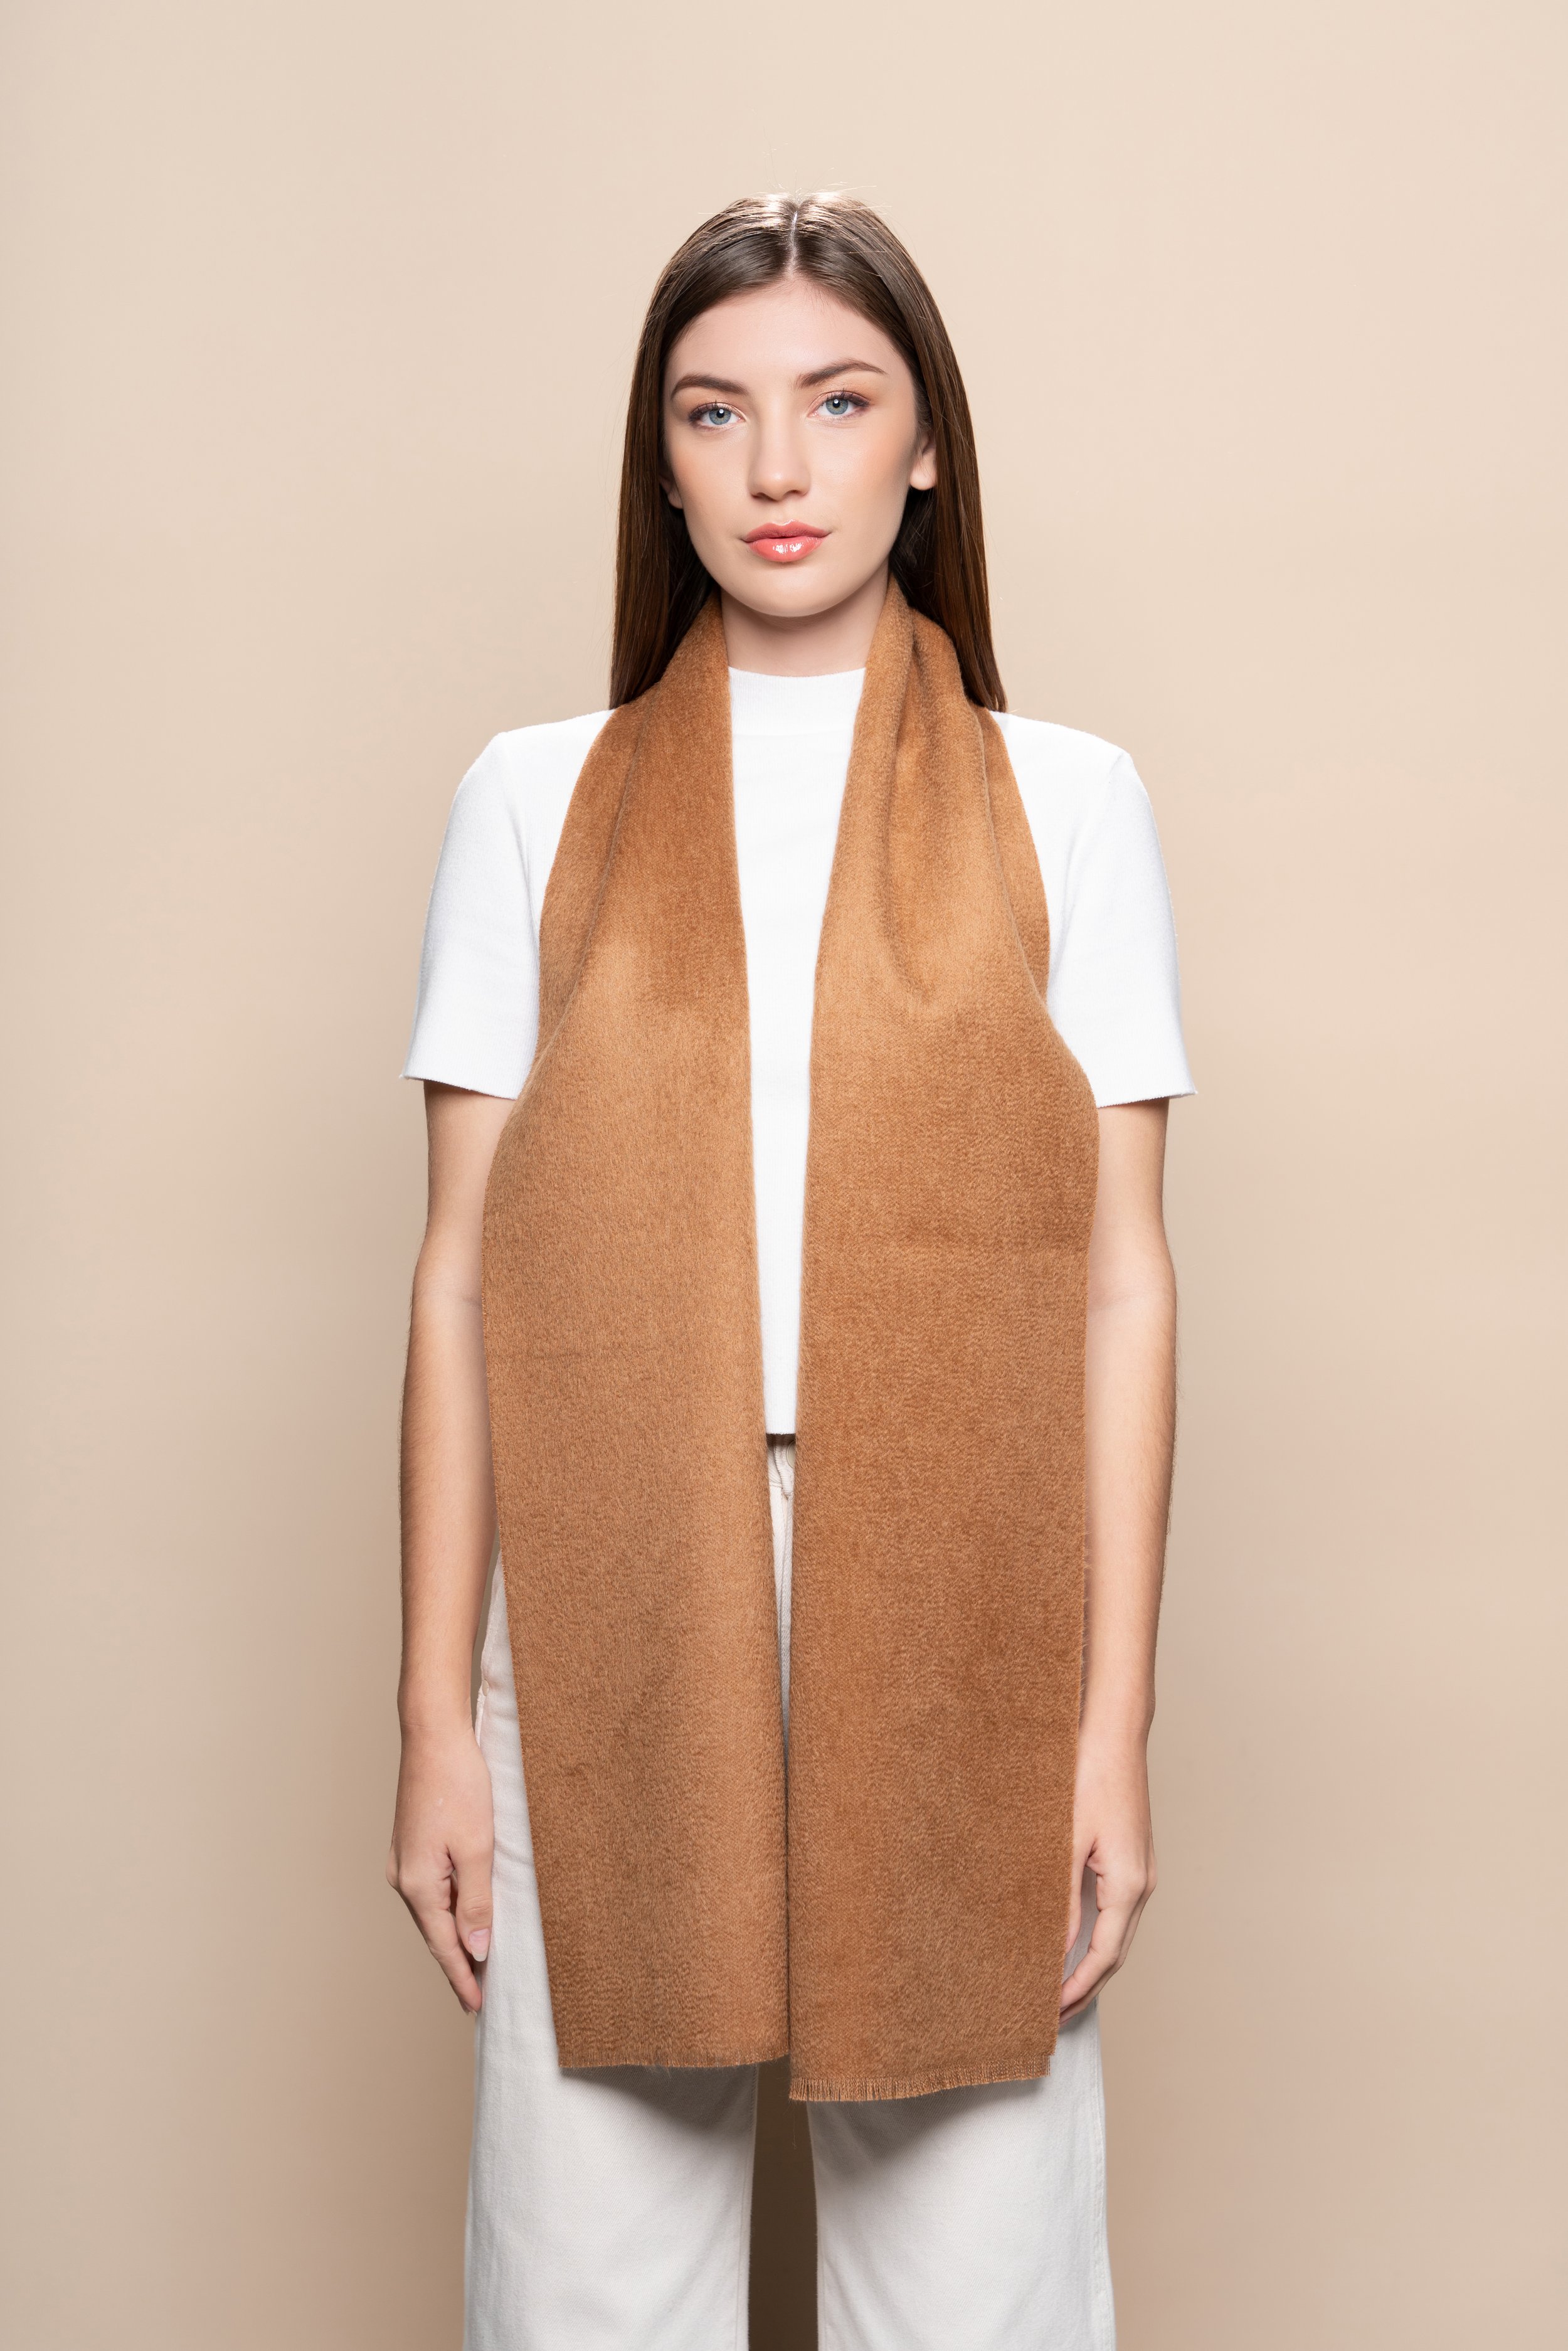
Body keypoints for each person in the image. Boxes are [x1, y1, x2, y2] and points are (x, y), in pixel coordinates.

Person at [389, 191, 1193, 2351]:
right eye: (712, 410)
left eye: (837, 404)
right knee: (583, 2281)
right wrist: (434, 1720)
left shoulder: (1065, 802)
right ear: (657, 459)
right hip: (611, 1580)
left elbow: (1122, 1285)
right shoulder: (533, 799)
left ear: (924, 447)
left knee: (977, 2289)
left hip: (962, 1589)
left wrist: (1109, 1725)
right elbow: (458, 1279)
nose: (774, 466)